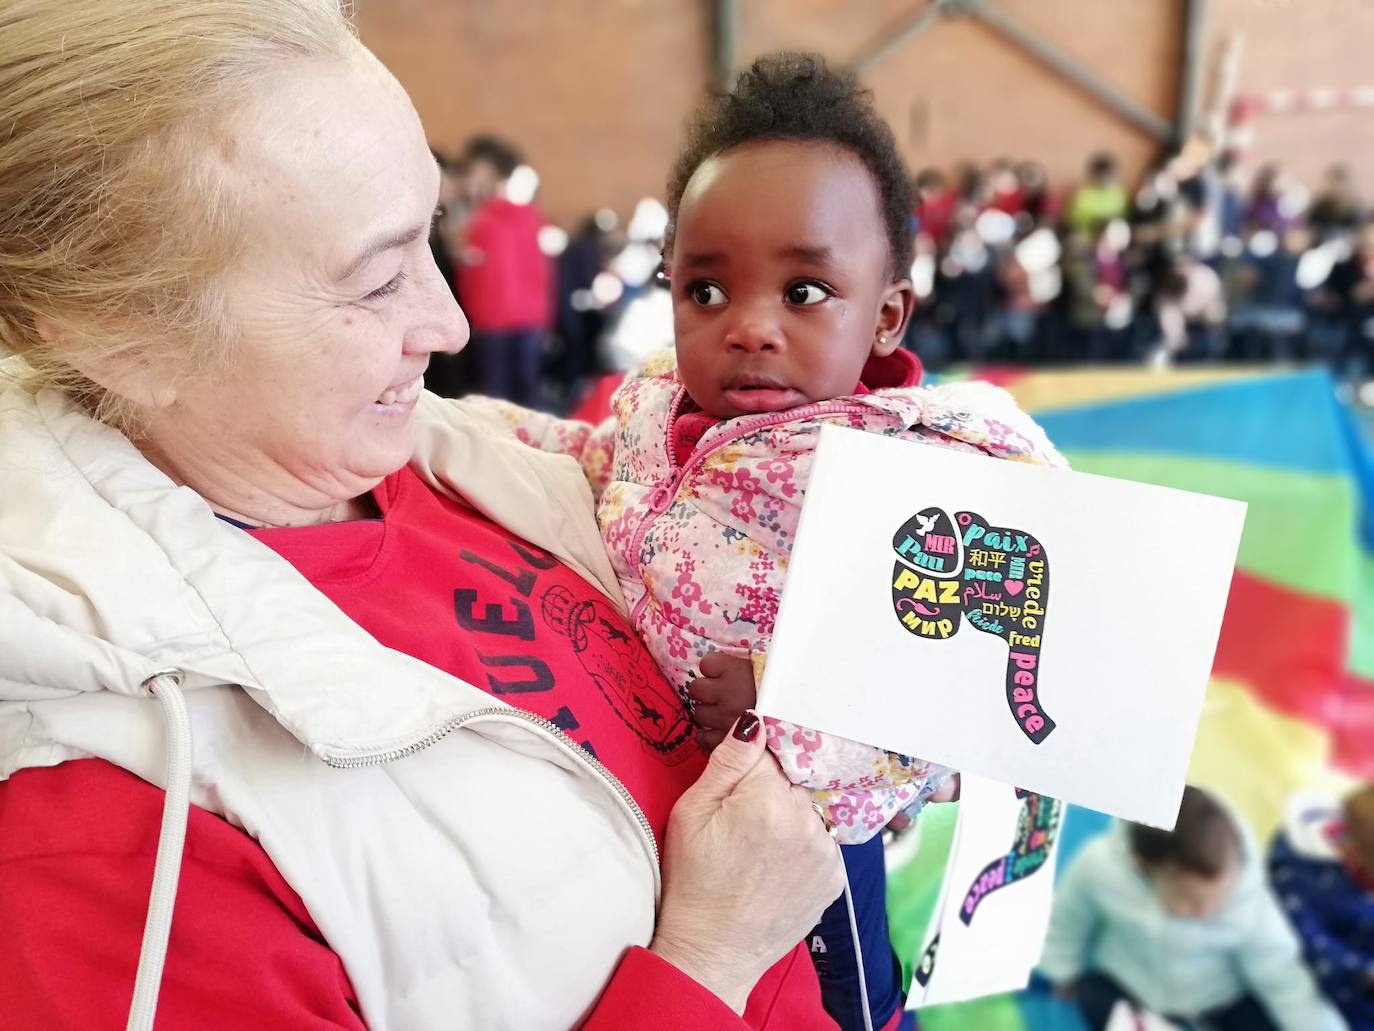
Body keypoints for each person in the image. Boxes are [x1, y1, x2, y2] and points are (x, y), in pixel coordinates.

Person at [0, 4, 853, 1029]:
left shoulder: (457, 454)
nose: (449, 321)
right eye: (375, 280)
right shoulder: (110, 853)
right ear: (122, 340)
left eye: (430, 239)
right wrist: (710, 957)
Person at [483, 53, 1060, 1031]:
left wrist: (784, 695)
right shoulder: (663, 401)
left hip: (804, 825)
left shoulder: (907, 480)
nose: (747, 328)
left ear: (885, 316)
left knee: (849, 1007)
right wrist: (482, 429)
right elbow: (602, 462)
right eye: (706, 291)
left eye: (803, 292)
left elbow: (944, 681)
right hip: (656, 799)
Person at [1039, 786, 1346, 1031]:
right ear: (1142, 866)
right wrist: (1061, 970)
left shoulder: (1247, 903)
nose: (1211, 909)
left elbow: (1284, 979)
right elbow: (1067, 919)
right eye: (1192, 902)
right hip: (1131, 979)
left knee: (1261, 1016)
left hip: (1217, 994)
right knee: (1091, 994)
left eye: (1221, 894)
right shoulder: (1100, 867)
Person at [452, 134, 553, 407]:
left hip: (491, 320)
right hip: (528, 319)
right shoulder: (530, 217)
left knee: (496, 399)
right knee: (529, 396)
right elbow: (542, 272)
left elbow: (469, 274)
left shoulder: (479, 222)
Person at [1269, 785, 1374, 1029]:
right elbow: (1305, 943)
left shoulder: (1360, 846)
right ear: (1354, 852)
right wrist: (1362, 972)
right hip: (1333, 985)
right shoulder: (1302, 875)